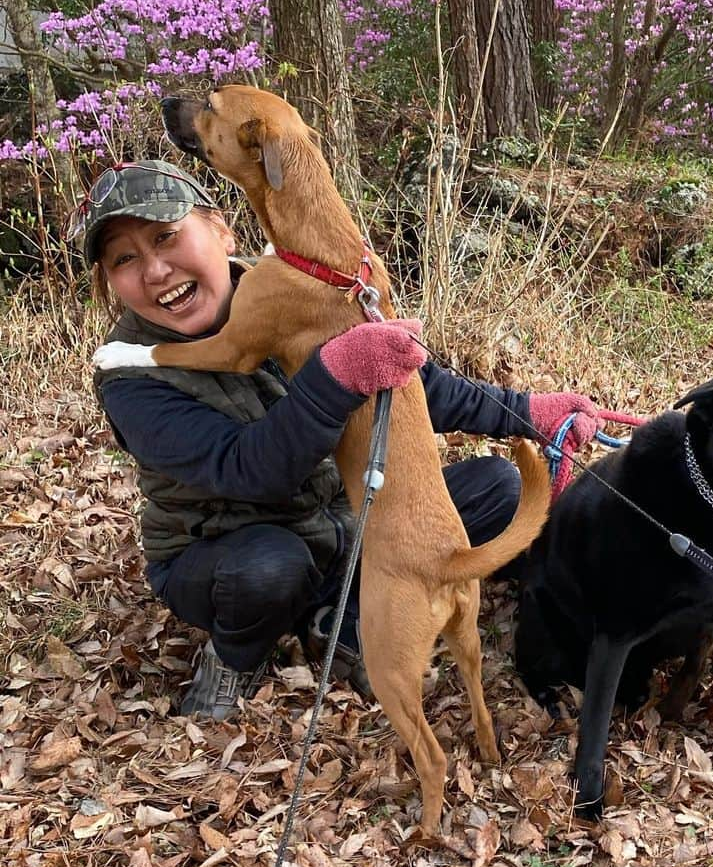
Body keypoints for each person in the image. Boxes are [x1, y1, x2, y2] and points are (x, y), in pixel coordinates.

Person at [75, 159, 600, 721]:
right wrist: (334, 377)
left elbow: (408, 383)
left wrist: (527, 414)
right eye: (124, 259)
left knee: (496, 486)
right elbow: (250, 471)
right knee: (269, 569)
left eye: (166, 236)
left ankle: (341, 617)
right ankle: (236, 655)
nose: (154, 270)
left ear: (222, 229)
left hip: (348, 520)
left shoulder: (295, 289)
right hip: (234, 544)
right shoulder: (129, 375)